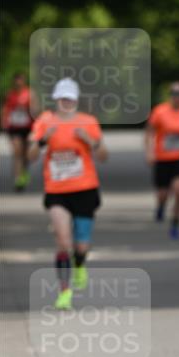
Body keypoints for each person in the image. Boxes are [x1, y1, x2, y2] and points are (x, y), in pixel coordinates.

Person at [28, 78, 108, 310]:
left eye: (70, 98)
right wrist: (43, 140)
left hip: (85, 189)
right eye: (62, 98)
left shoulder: (88, 122)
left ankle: (80, 263)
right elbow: (31, 156)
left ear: (75, 100)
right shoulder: (45, 121)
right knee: (63, 242)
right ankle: (64, 292)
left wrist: (90, 141)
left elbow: (103, 155)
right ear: (56, 99)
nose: (66, 102)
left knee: (81, 246)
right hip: (56, 191)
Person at [145, 82, 179, 239]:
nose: (177, 97)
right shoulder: (160, 111)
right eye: (174, 93)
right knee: (162, 193)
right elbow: (149, 132)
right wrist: (149, 152)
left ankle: (175, 224)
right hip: (162, 158)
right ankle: (161, 205)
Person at [2, 72, 37, 191]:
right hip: (14, 127)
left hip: (27, 127)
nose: (19, 83)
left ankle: (24, 172)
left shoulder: (30, 93)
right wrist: (3, 122)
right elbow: (5, 109)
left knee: (26, 154)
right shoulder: (10, 94)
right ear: (14, 82)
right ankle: (18, 178)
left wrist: (28, 108)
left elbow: (36, 110)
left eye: (21, 80)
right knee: (17, 151)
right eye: (17, 81)